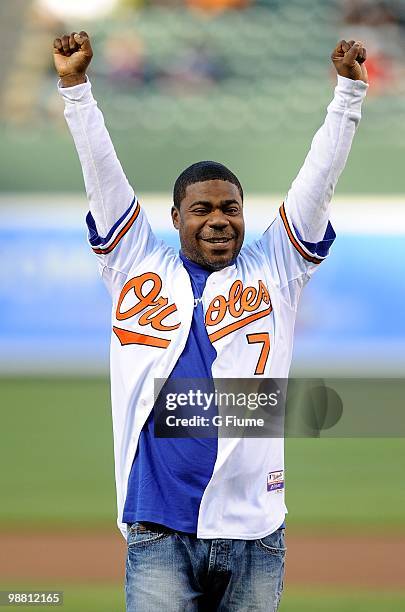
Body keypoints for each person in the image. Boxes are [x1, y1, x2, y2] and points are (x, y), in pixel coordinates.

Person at [53, 30, 368, 612]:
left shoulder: (276, 266)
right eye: (202, 209)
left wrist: (348, 95)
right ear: (175, 217)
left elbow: (315, 184)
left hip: (254, 530)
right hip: (158, 529)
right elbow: (101, 173)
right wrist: (76, 88)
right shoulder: (133, 265)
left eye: (230, 208)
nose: (219, 220)